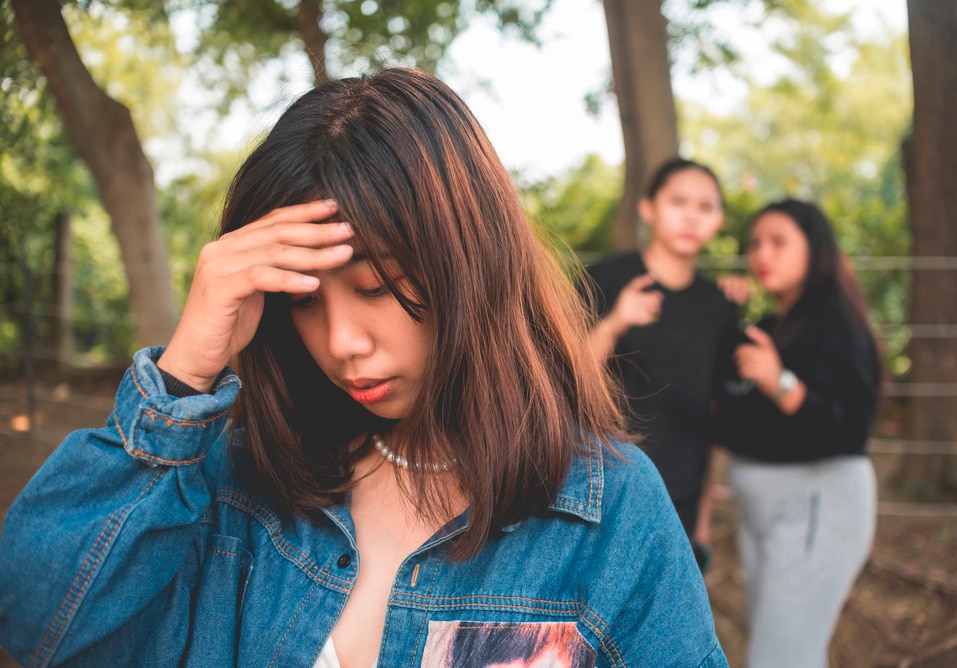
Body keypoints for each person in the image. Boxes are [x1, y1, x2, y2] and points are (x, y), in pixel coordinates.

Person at [0, 69, 728, 667]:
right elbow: (38, 626)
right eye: (303, 303)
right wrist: (185, 372)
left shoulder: (609, 513)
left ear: (466, 265)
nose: (342, 341)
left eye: (376, 287)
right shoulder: (232, 476)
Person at [713, 199, 880, 668]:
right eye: (755, 244)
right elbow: (725, 410)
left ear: (815, 250)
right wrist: (726, 315)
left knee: (782, 656)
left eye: (779, 242)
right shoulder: (771, 326)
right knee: (788, 651)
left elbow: (851, 426)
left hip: (818, 509)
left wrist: (780, 383)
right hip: (766, 518)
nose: (763, 253)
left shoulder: (836, 324)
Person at [580, 158, 740, 570]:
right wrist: (615, 323)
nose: (692, 216)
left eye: (706, 207)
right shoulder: (603, 279)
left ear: (719, 219)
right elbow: (561, 378)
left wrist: (701, 522)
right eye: (678, 201)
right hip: (598, 489)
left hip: (678, 501)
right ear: (648, 208)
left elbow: (713, 416)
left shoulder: (718, 306)